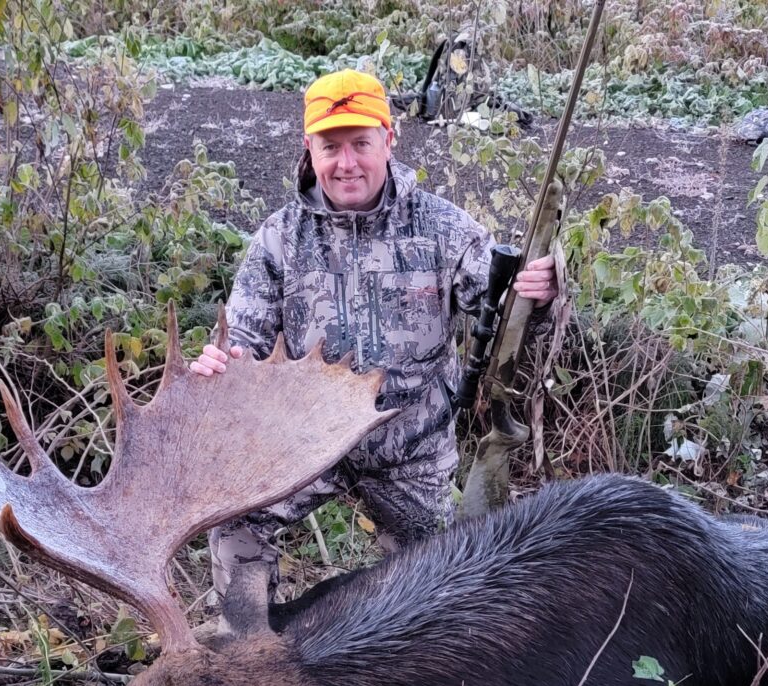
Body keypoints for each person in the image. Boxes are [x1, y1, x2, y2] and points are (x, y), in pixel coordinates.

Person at [191, 68, 560, 614]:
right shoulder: (279, 238)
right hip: (306, 446)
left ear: (390, 139)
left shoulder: (441, 228)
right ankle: (252, 658)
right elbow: (243, 337)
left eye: (361, 143)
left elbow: (506, 310)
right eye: (330, 146)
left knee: (446, 591)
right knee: (233, 522)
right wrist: (223, 365)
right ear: (308, 148)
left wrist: (542, 293)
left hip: (411, 452)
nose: (346, 164)